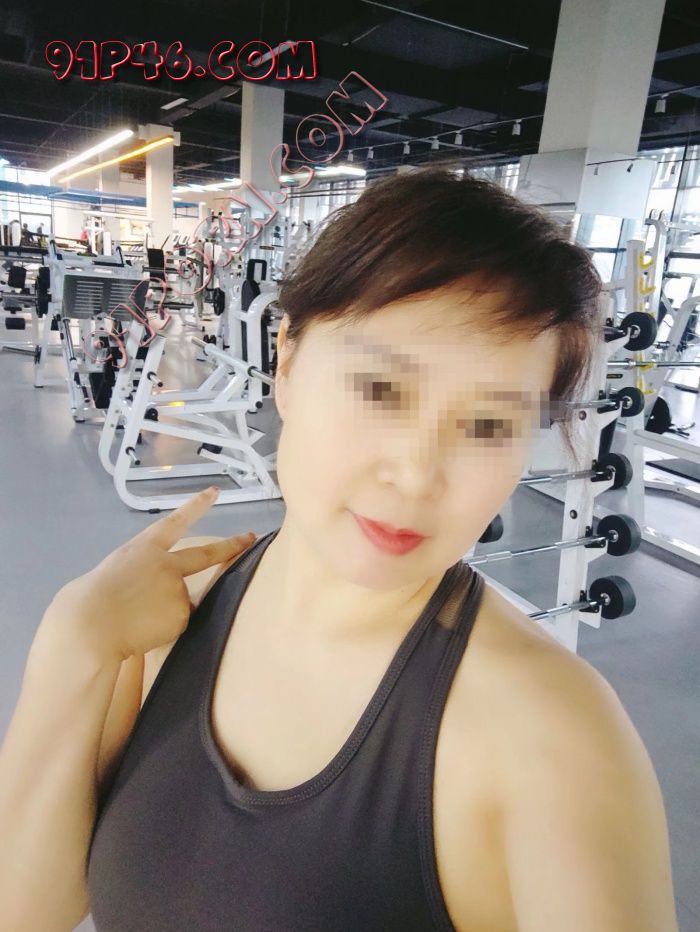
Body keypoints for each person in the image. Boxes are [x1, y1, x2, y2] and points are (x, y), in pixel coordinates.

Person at [0, 169, 678, 931]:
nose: (417, 476)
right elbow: (29, 911)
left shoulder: (555, 739)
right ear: (287, 361)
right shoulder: (169, 610)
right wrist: (73, 646)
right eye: (381, 391)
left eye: (489, 426)